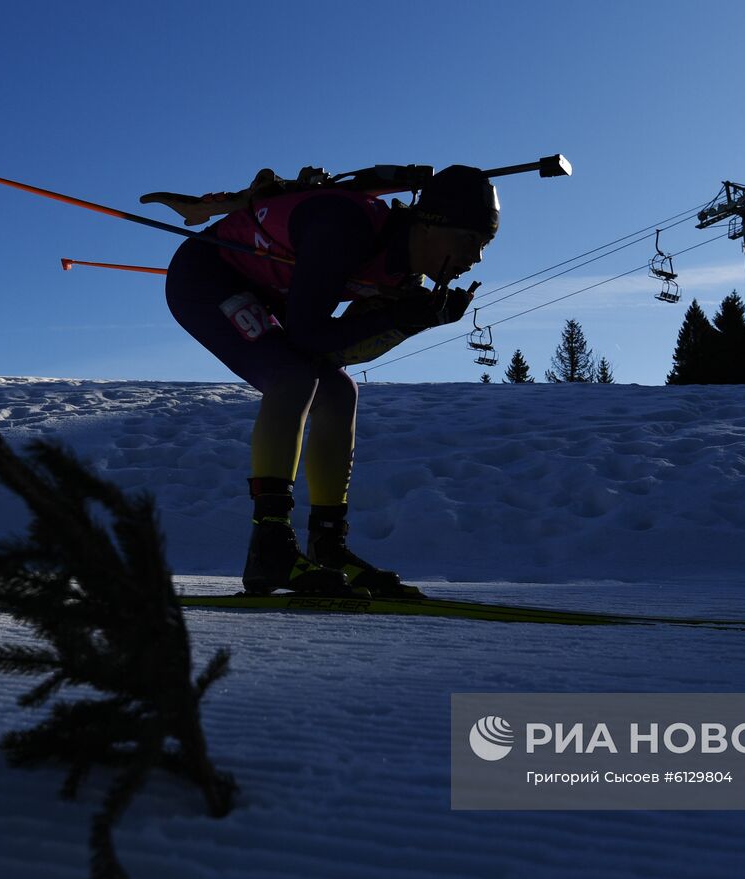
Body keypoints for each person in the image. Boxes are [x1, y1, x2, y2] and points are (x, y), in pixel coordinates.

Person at [164, 166, 498, 596]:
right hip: (206, 276)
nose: (477, 257)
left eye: (485, 245)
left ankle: (328, 546)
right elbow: (308, 335)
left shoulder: (404, 277)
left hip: (265, 290)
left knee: (340, 391)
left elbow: (340, 353)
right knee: (293, 377)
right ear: (430, 224)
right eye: (471, 239)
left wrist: (412, 322)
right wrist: (396, 317)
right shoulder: (345, 226)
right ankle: (270, 546)